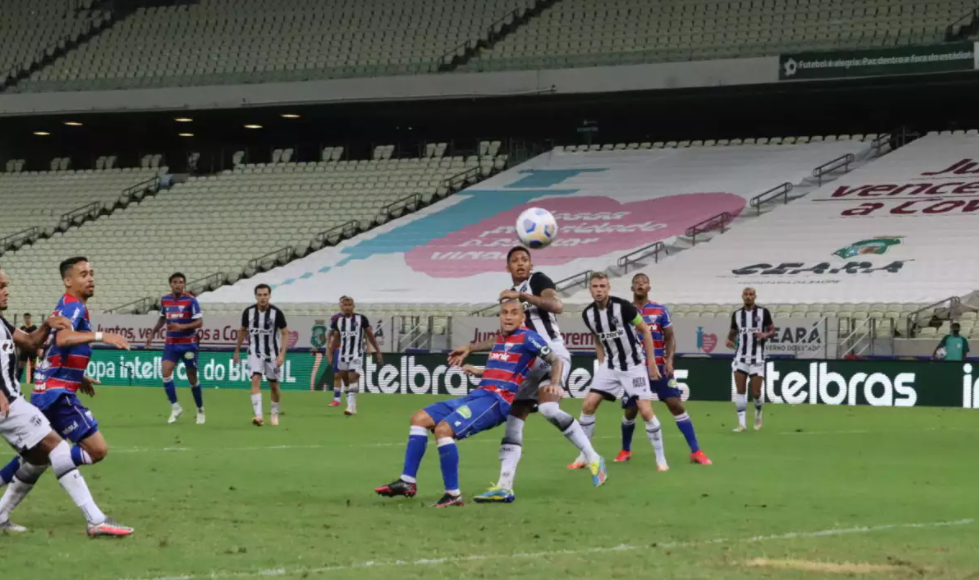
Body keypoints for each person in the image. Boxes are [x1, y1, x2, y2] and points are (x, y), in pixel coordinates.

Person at [449, 246, 604, 503]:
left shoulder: (538, 280)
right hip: (526, 360)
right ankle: (504, 486)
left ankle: (592, 456)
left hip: (551, 355)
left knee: (548, 409)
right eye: (515, 261)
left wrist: (523, 296)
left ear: (531, 266)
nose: (521, 264)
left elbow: (556, 305)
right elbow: (504, 337)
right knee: (514, 419)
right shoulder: (512, 301)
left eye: (525, 260)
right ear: (507, 267)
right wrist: (470, 347)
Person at [374, 299, 565, 507]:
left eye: (513, 313)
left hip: (496, 400)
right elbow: (491, 343)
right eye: (504, 312)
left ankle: (453, 494)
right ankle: (407, 481)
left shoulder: (529, 337)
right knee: (419, 418)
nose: (508, 316)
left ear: (522, 317)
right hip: (478, 394)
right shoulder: (502, 337)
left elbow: (556, 360)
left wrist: (554, 384)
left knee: (443, 431)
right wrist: (470, 350)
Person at [0, 266, 132, 536]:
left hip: (17, 399)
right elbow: (63, 339)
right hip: (10, 402)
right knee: (57, 450)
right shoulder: (72, 306)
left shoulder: (2, 323)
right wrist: (102, 336)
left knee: (37, 458)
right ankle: (96, 521)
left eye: (6, 285)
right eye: (1, 286)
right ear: (68, 280)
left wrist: (47, 324)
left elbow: (28, 341)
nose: (6, 291)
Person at [572, 272, 669, 471]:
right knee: (588, 405)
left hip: (633, 365)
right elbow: (598, 338)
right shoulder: (588, 314)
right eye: (595, 286)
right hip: (610, 366)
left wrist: (651, 362)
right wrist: (601, 362)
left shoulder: (624, 307)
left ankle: (661, 459)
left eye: (602, 286)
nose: (599, 290)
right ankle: (584, 454)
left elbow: (645, 330)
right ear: (590, 289)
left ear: (608, 288)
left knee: (645, 411)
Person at [615, 273, 711, 465]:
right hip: (634, 368)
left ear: (649, 287)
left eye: (644, 283)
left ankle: (696, 451)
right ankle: (625, 450)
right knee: (631, 410)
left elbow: (670, 336)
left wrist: (669, 360)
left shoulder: (660, 310)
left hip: (658, 365)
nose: (641, 285)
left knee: (675, 404)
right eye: (637, 283)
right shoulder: (624, 311)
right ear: (632, 288)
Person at [146, 273, 205, 425]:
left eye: (180, 282)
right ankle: (175, 407)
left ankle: (200, 409)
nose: (178, 284)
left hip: (189, 344)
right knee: (165, 372)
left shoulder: (191, 300)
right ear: (170, 284)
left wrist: (182, 326)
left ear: (184, 284)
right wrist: (152, 334)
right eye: (175, 282)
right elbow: (162, 318)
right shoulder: (165, 300)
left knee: (192, 378)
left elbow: (199, 322)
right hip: (171, 344)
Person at [233, 284, 289, 426]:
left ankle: (274, 413)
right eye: (260, 295)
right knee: (255, 379)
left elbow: (285, 333)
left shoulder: (276, 313)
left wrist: (282, 354)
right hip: (255, 352)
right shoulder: (248, 312)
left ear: (269, 296)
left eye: (265, 295)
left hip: (272, 354)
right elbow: (243, 331)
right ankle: (258, 416)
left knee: (274, 386)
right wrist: (237, 350)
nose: (262, 297)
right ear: (255, 296)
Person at [726, 287, 775, 432]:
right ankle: (742, 424)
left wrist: (764, 335)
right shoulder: (737, 315)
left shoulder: (763, 312)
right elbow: (732, 334)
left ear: (755, 297)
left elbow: (772, 331)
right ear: (742, 296)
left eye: (751, 295)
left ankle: (758, 412)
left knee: (756, 392)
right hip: (740, 358)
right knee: (740, 390)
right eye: (746, 295)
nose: (748, 297)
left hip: (757, 358)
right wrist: (730, 341)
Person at [326, 296, 382, 416]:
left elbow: (370, 335)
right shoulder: (338, 321)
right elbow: (336, 338)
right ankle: (351, 404)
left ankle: (350, 407)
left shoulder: (361, 319)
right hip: (343, 354)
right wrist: (330, 351)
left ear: (353, 306)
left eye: (349, 305)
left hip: (356, 354)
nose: (347, 307)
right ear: (342, 306)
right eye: (345, 305)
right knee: (345, 380)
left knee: (353, 377)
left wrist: (377, 350)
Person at [16, 313, 40, 383]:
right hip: (24, 350)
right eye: (26, 318)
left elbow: (36, 338)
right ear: (24, 319)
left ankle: (31, 381)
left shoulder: (34, 328)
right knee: (21, 365)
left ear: (30, 318)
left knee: (33, 365)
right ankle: (18, 380)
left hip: (32, 350)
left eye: (28, 318)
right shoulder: (22, 328)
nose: (27, 319)